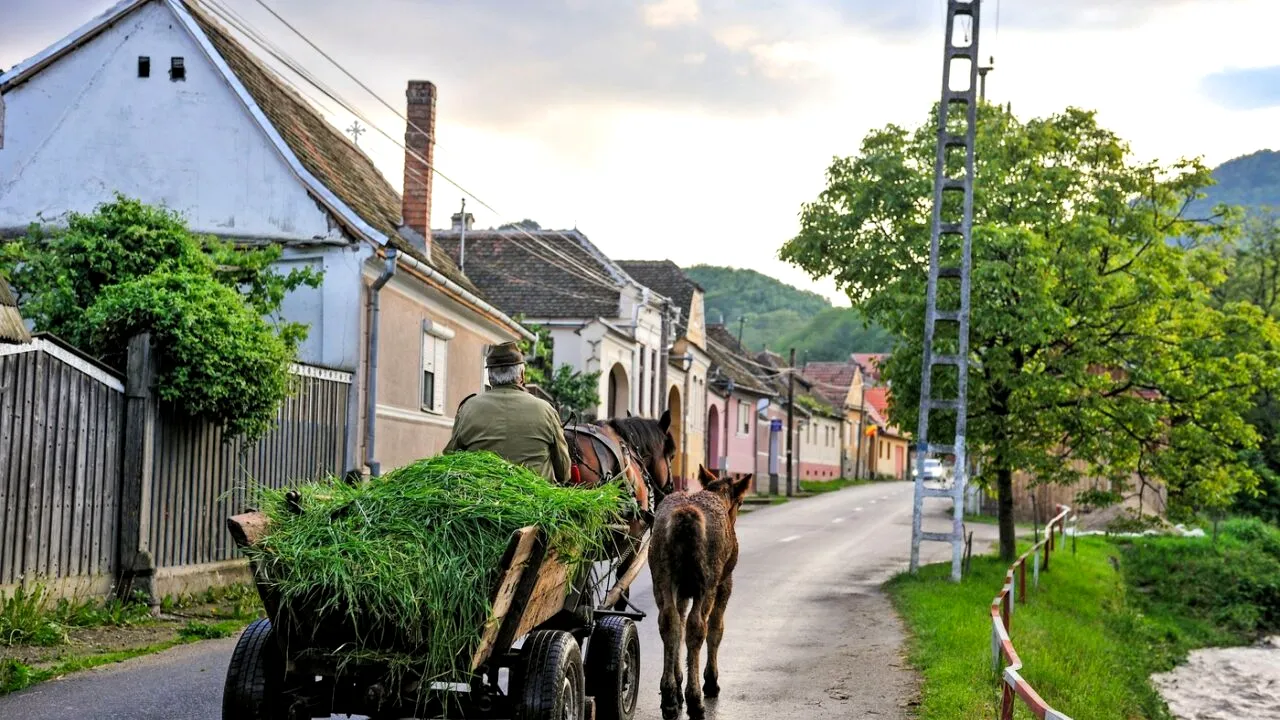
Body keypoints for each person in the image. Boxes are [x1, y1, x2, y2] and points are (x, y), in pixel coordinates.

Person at [443, 341, 571, 484]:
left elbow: (450, 458)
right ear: (522, 375)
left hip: (478, 500)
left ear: (490, 378)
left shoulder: (467, 408)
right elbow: (564, 470)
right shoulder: (546, 410)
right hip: (535, 500)